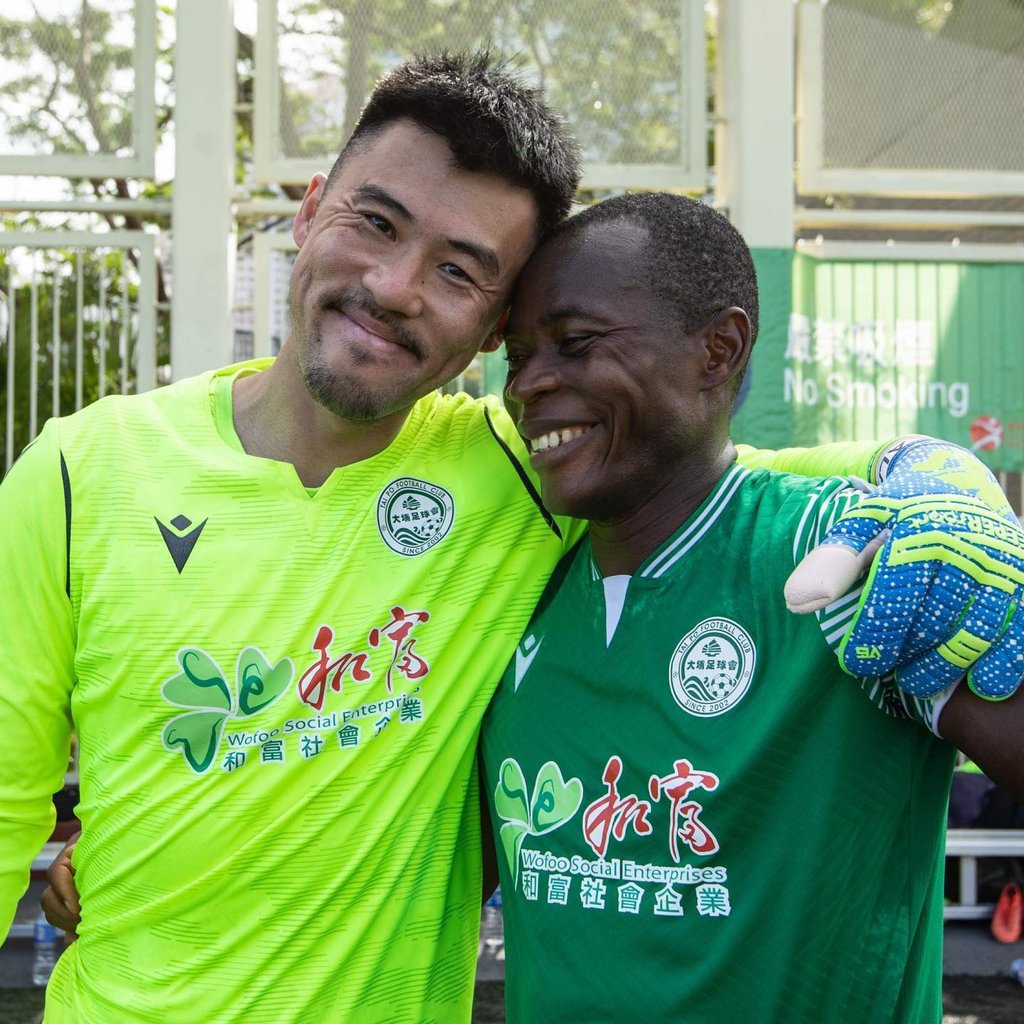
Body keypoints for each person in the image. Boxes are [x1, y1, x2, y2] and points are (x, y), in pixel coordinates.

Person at [5, 52, 1021, 1023]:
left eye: (457, 271)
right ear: (312, 210)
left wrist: (936, 474)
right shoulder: (78, 471)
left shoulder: (522, 473)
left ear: (488, 328)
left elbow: (720, 472)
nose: (396, 287)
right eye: (375, 222)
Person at [479, 191, 1024, 1024]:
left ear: (718, 350)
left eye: (576, 343)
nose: (531, 385)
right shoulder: (521, 581)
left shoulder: (838, 560)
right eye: (517, 356)